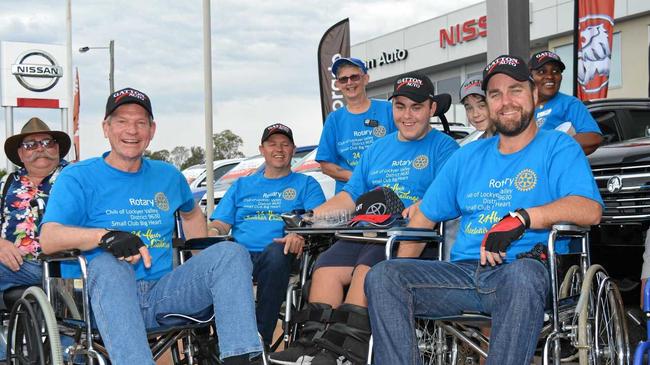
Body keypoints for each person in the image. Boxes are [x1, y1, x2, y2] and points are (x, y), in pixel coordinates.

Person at [365, 55, 603, 365]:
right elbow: (423, 221)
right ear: (489, 104)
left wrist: (524, 218)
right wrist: (397, 274)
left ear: (533, 95)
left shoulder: (558, 147)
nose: (506, 101)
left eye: (515, 90)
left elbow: (589, 209)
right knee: (382, 276)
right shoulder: (467, 156)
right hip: (462, 273)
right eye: (495, 94)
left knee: (523, 275)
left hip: (522, 270)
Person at [39, 87, 262, 365]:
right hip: (100, 299)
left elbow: (191, 215)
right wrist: (104, 236)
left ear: (152, 130)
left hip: (162, 293)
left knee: (231, 253)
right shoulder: (79, 177)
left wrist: (200, 262)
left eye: (140, 122)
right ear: (106, 128)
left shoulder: (168, 175)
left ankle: (238, 359)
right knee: (110, 264)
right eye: (121, 121)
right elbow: (48, 238)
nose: (131, 130)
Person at [270, 72, 459, 365]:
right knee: (324, 268)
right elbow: (350, 197)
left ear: (431, 109)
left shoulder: (444, 147)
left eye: (416, 107)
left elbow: (446, 194)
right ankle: (313, 345)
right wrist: (310, 219)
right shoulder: (377, 149)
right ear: (392, 108)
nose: (407, 115)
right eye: (400, 107)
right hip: (367, 229)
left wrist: (422, 203)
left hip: (411, 235)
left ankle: (346, 351)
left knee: (364, 270)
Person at [209, 123, 326, 347]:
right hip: (241, 256)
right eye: (272, 144)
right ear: (262, 149)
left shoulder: (306, 184)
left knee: (276, 252)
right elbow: (221, 224)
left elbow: (318, 220)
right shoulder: (242, 185)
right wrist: (212, 233)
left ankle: (260, 340)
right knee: (221, 256)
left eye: (285, 144)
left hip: (283, 255)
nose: (279, 149)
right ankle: (217, 343)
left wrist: (299, 233)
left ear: (293, 149)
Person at [0, 117, 70, 360]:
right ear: (20, 153)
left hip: (65, 265)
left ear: (57, 148)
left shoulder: (75, 178)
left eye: (46, 142)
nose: (40, 148)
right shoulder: (6, 184)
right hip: (14, 265)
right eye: (31, 145)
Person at [316, 57, 396, 194]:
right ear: (338, 85)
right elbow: (326, 165)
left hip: (389, 191)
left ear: (365, 79)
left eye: (354, 77)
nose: (349, 82)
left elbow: (405, 147)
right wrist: (358, 178)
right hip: (350, 194)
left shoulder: (388, 110)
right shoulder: (334, 119)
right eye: (343, 79)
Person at [529, 50, 603, 155]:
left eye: (555, 71)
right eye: (542, 72)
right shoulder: (522, 107)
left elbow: (593, 138)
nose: (550, 76)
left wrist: (552, 147)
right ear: (530, 77)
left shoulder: (570, 104)